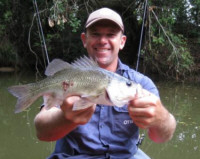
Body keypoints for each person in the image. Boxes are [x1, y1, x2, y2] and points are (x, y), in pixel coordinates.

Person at [34, 8, 176, 159]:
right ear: (84, 40)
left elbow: (161, 137)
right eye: (95, 34)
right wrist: (65, 118)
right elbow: (42, 132)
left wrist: (162, 118)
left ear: (122, 42)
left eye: (111, 34)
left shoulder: (141, 83)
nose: (102, 41)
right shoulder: (67, 76)